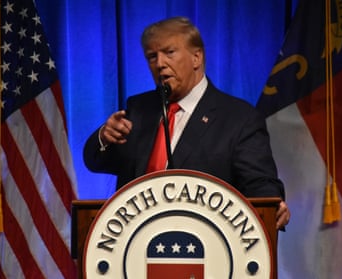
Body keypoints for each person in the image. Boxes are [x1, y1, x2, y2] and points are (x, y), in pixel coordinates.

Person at [83, 16, 290, 229]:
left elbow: (258, 182)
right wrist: (104, 136)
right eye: (152, 56)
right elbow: (95, 161)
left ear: (196, 57)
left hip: (205, 243)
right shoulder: (139, 108)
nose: (160, 64)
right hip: (135, 240)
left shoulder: (238, 118)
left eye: (169, 53)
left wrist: (272, 204)